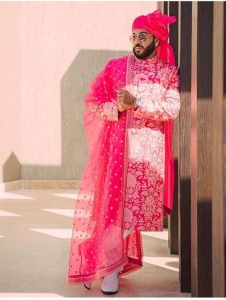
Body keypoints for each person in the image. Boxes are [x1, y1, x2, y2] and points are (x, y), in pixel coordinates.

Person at [67, 8, 180, 295]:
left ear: (157, 40)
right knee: (112, 214)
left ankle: (104, 261)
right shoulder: (115, 67)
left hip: (147, 159)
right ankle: (109, 268)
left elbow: (172, 109)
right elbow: (93, 100)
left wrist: (137, 102)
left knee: (133, 217)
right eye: (134, 36)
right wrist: (117, 106)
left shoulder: (167, 73)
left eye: (143, 36)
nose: (137, 41)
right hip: (117, 154)